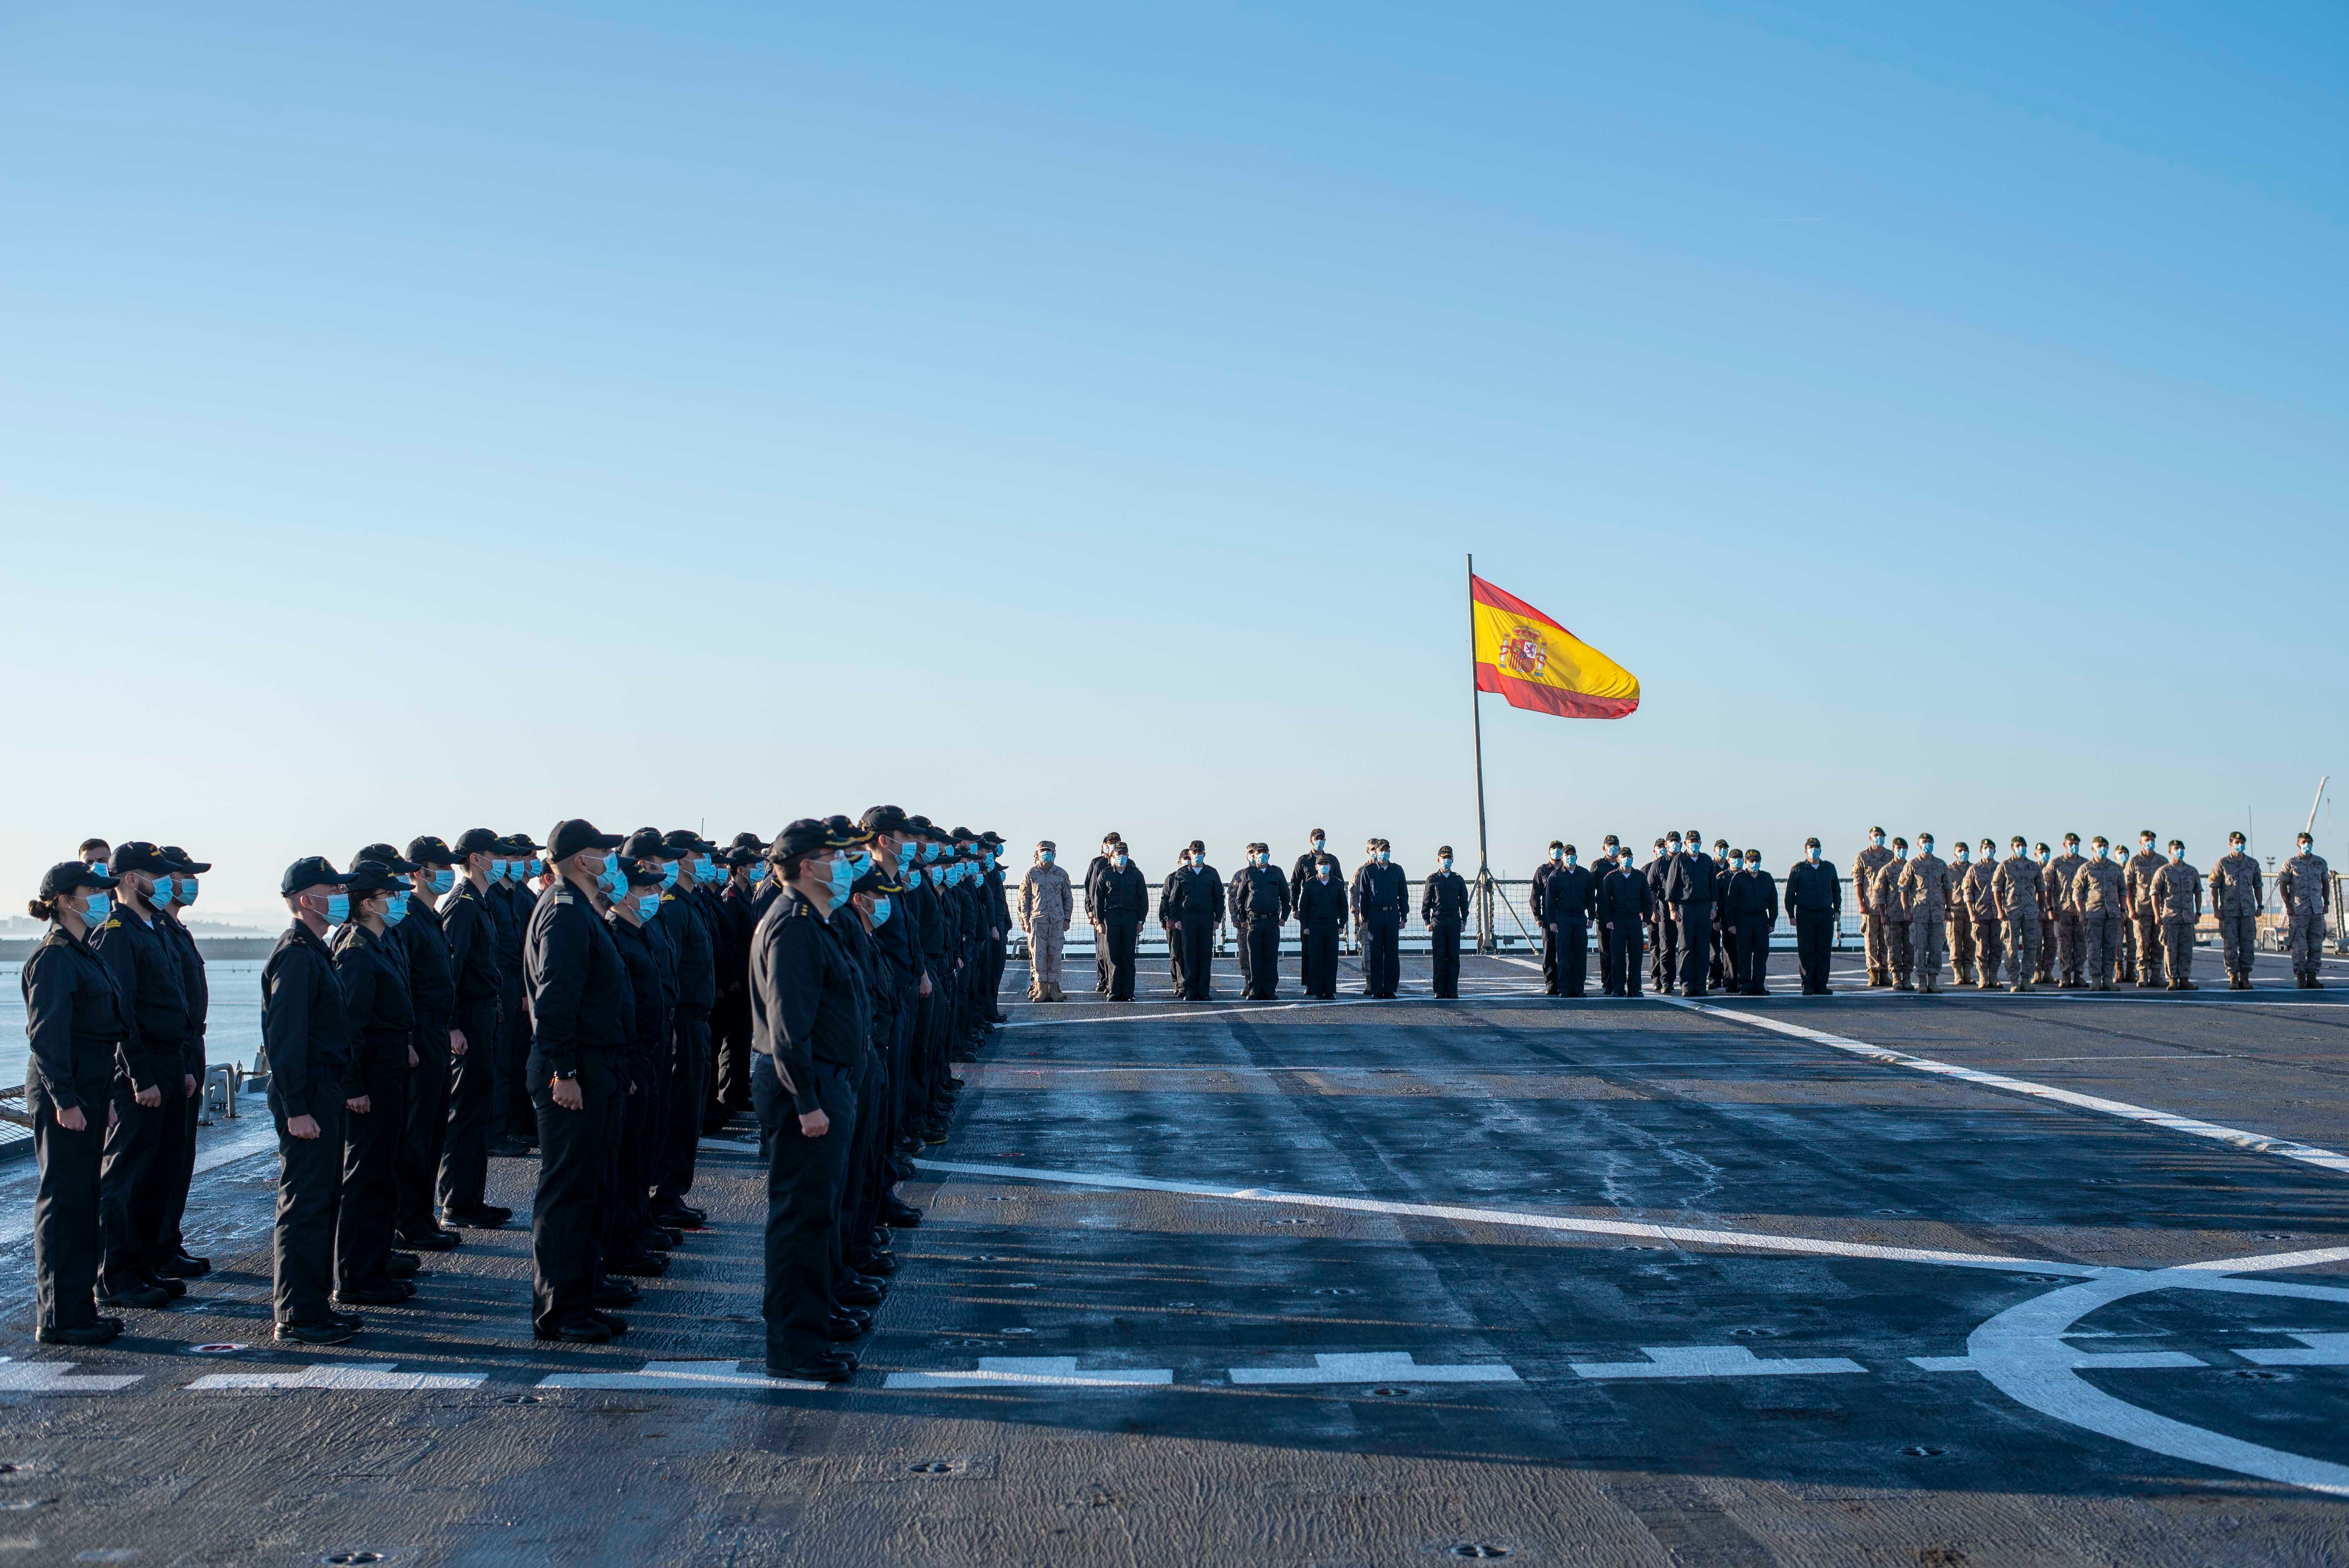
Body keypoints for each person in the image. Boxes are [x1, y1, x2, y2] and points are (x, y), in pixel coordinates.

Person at [749, 817, 875, 1384]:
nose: (846, 865)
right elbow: (787, 1027)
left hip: (827, 1081)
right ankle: (796, 1347)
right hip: (809, 1088)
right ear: (807, 866)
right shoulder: (794, 926)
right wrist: (807, 1102)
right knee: (802, 1218)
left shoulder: (813, 920)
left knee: (819, 1214)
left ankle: (814, 1322)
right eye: (835, 856)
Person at [525, 819, 633, 1344]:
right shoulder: (565, 914)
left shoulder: (582, 910)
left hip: (598, 1068)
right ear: (577, 860)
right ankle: (561, 1311)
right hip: (576, 1072)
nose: (610, 861)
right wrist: (563, 1070)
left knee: (591, 1189)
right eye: (601, 852)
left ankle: (582, 1294)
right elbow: (556, 1001)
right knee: (568, 1194)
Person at [21, 862, 130, 1345]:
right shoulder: (54, 958)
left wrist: (102, 1097)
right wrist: (65, 1099)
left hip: (88, 1089)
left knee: (84, 1198)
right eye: (93, 890)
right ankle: (60, 1317)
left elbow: (99, 1033)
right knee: (64, 1201)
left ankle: (80, 1307)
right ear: (65, 899)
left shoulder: (85, 953)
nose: (103, 898)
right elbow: (48, 1038)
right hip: (62, 1092)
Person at [262, 857, 365, 1345]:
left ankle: (315, 1302)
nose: (342, 895)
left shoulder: (316, 950)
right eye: (332, 888)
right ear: (307, 899)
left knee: (323, 1199)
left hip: (324, 1088)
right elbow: (286, 1038)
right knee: (304, 1202)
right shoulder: (297, 955)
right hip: (307, 1093)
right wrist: (297, 1106)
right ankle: (297, 1313)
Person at [91, 842, 192, 1311]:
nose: (170, 883)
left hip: (169, 1062)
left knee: (159, 1170)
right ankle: (116, 1276)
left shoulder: (153, 928)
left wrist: (183, 1067)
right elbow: (121, 1009)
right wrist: (140, 1074)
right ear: (132, 879)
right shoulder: (117, 932)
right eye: (160, 875)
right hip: (142, 1066)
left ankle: (145, 1263)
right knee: (127, 1174)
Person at [331, 861, 418, 1310]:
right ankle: (356, 1276)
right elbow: (349, 1026)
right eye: (392, 894)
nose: (401, 900)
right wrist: (353, 1086)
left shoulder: (379, 943)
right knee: (365, 1177)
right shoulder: (357, 950)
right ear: (367, 903)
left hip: (389, 1069)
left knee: (384, 1172)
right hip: (369, 1081)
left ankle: (376, 1261)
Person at [385, 838, 466, 1255]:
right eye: (439, 866)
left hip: (435, 1033)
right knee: (416, 1135)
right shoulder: (407, 919)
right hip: (419, 1034)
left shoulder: (429, 917)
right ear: (418, 871)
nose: (448, 873)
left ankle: (421, 1215)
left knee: (434, 1129)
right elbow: (406, 987)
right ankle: (409, 1221)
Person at [437, 829, 511, 1230]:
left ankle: (472, 1198)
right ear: (477, 858)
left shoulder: (480, 902)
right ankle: (456, 1201)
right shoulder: (463, 905)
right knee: (465, 1112)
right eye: (496, 854)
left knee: (479, 1109)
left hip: (485, 1015)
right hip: (468, 1018)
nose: (502, 860)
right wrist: (452, 1025)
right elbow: (452, 968)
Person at [148, 846, 211, 1280]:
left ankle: (168, 1241)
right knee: (162, 1158)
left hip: (190, 1048)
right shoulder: (155, 929)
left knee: (181, 1154)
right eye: (183, 874)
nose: (191, 882)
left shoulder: (174, 928)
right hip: (173, 1052)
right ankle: (156, 1248)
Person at [1231, 844, 1292, 1001]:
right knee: (1255, 957)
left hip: (1272, 921)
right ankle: (1255, 990)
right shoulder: (1248, 874)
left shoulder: (1277, 873)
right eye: (1259, 853)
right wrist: (1243, 919)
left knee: (1271, 957)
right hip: (1254, 921)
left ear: (1269, 855)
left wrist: (1284, 916)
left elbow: (1286, 896)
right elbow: (1240, 898)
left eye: (1265, 853)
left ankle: (1270, 990)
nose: (1262, 856)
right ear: (1254, 855)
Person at [1166, 841, 1225, 1001]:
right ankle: (1190, 990)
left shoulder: (1212, 873)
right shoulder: (1182, 874)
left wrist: (1217, 919)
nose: (1197, 855)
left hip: (1206, 919)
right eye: (1195, 852)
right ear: (1190, 854)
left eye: (1200, 852)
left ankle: (1204, 991)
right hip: (1188, 919)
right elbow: (1174, 899)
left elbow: (1219, 898)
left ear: (1204, 854)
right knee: (1189, 954)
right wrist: (1176, 919)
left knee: (1205, 955)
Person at [1661, 832, 1716, 998]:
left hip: (1704, 909)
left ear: (1701, 842)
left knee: (1703, 949)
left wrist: (1713, 908)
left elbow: (1713, 887)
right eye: (1691, 842)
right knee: (1686, 948)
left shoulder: (1707, 861)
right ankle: (1686, 986)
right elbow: (1670, 890)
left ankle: (1700, 986)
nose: (1694, 845)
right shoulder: (1679, 861)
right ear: (1685, 843)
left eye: (1696, 842)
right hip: (1685, 909)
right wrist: (1672, 910)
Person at [1090, 843, 1148, 1001]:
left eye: (1124, 854)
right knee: (1113, 956)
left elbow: (1143, 899)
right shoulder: (1105, 875)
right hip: (1111, 918)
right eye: (1118, 854)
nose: (1121, 857)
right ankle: (1114, 991)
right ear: (1113, 857)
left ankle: (1129, 993)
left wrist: (1141, 921)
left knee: (1128, 957)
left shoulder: (1136, 875)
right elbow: (1099, 900)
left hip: (1130, 918)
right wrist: (1100, 922)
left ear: (1128, 856)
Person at [1351, 839, 1408, 999]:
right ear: (1376, 852)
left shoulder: (1397, 871)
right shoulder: (1368, 872)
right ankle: (1376, 989)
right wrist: (1364, 917)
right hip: (1375, 916)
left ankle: (1390, 989)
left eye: (1387, 850)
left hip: (1391, 915)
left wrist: (1404, 916)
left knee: (1391, 954)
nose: (1384, 853)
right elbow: (1363, 896)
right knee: (1375, 954)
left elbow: (1403, 895)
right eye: (1381, 850)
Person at [1020, 842, 1075, 1002]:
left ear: (1055, 854)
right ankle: (1041, 988)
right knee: (1038, 956)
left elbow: (1067, 898)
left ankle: (1054, 988)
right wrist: (1026, 921)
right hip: (1037, 921)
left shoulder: (1061, 874)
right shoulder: (1031, 874)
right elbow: (1025, 899)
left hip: (1057, 920)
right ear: (1037, 854)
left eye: (1049, 852)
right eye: (1043, 852)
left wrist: (1067, 918)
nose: (1046, 854)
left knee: (1056, 955)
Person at [2208, 831, 2263, 991]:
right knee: (2230, 945)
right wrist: (2216, 909)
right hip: (2229, 913)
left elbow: (2258, 886)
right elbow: (2214, 888)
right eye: (2237, 843)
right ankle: (2233, 976)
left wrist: (2260, 906)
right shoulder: (2223, 863)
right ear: (2230, 844)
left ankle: (2245, 977)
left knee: (2248, 946)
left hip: (2247, 912)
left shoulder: (2252, 864)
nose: (2240, 845)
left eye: (2242, 843)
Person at [1898, 835, 1952, 994]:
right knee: (1920, 949)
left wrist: (1948, 909)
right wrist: (1906, 910)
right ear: (1918, 845)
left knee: (1936, 949)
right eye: (1924, 843)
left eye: (1930, 843)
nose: (1927, 845)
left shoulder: (1941, 865)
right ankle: (1922, 981)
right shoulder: (1912, 865)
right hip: (1919, 915)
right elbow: (1904, 889)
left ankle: (1933, 981)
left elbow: (1948, 887)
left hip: (1937, 915)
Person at [2070, 837, 2126, 991]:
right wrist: (2081, 912)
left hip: (2112, 914)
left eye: (2104, 846)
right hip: (2093, 914)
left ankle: (2108, 979)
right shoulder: (2085, 869)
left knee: (2110, 948)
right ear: (2093, 849)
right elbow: (2077, 892)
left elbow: (2123, 890)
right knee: (2094, 948)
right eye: (2099, 846)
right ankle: (2096, 979)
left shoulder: (2116, 869)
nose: (2102, 848)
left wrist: (2123, 910)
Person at [1784, 839, 1838, 995]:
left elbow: (1836, 891)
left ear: (1821, 850)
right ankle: (1807, 984)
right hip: (1805, 914)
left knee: (1824, 950)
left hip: (1825, 914)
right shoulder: (1798, 870)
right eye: (1811, 848)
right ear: (1805, 851)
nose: (1814, 851)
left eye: (1816, 848)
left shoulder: (1829, 868)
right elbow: (1790, 894)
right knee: (1806, 950)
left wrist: (1837, 911)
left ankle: (1821, 985)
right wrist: (1791, 915)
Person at [2278, 832, 2331, 988]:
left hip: (2317, 911)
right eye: (2303, 842)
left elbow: (2325, 883)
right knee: (2299, 946)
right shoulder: (2290, 864)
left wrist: (2326, 903)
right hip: (2299, 910)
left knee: (2316, 945)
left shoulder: (2320, 863)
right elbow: (2283, 885)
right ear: (2298, 844)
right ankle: (2301, 977)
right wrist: (2288, 906)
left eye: (2309, 841)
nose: (2306, 844)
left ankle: (2313, 976)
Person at [1540, 845, 1594, 999]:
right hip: (1562, 919)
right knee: (1563, 955)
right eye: (1567, 855)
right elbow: (1549, 902)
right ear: (1562, 858)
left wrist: (1591, 917)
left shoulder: (1585, 875)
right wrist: (1552, 922)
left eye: (1573, 855)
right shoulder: (1555, 877)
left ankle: (1578, 988)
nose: (1570, 857)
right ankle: (1564, 988)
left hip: (1579, 918)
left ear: (1577, 856)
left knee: (1580, 954)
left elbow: (1590, 897)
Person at [1596, 847, 1649, 996]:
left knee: (1636, 956)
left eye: (1629, 856)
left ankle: (1635, 989)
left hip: (1634, 921)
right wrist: (1608, 920)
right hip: (1617, 921)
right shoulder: (1611, 878)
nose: (1627, 859)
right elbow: (1605, 901)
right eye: (1624, 857)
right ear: (1618, 859)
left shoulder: (1640, 877)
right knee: (1618, 957)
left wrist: (1646, 919)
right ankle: (1618, 988)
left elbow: (1647, 899)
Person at [1993, 835, 2042, 993]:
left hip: (2030, 912)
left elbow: (2041, 889)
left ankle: (2027, 979)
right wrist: (2000, 910)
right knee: (2011, 948)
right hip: (2011, 912)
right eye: (2018, 845)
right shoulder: (2005, 866)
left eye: (2023, 845)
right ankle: (2014, 980)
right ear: (2012, 848)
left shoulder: (2034, 867)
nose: (2020, 848)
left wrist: (2042, 909)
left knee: (2031, 947)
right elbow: (1997, 889)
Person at [2151, 840, 2203, 991]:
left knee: (2187, 950)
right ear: (2170, 852)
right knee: (2171, 950)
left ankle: (2185, 979)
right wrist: (2157, 915)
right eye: (2176, 849)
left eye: (2181, 848)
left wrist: (2198, 913)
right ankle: (2172, 979)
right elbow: (2155, 894)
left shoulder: (2192, 871)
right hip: (2170, 918)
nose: (2179, 851)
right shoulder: (2163, 872)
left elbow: (2198, 892)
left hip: (2187, 918)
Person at [1295, 854, 1348, 999]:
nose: (1324, 867)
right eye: (1321, 864)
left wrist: (1342, 925)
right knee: (1316, 959)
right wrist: (1305, 926)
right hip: (1314, 925)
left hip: (1331, 925)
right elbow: (1304, 907)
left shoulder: (1337, 884)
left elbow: (1343, 906)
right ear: (1316, 867)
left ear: (1331, 867)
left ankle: (1330, 991)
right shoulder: (1310, 884)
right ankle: (1318, 991)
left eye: (1327, 864)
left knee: (1331, 960)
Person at [1422, 847, 1470, 999]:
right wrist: (1427, 921)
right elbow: (1427, 902)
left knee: (1454, 956)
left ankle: (1453, 990)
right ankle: (1439, 990)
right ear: (1438, 860)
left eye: (1449, 858)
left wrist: (1464, 921)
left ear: (1453, 860)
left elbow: (1464, 901)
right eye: (1444, 858)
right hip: (1439, 920)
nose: (1446, 861)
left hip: (1454, 920)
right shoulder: (1433, 879)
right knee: (1439, 956)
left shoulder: (1458, 879)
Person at [1851, 829, 1896, 986]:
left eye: (1881, 836)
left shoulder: (1891, 856)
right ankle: (1873, 973)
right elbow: (1858, 881)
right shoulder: (1863, 857)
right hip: (1870, 906)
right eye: (1876, 836)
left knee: (1886, 941)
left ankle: (1884, 972)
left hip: (1888, 907)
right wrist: (1861, 903)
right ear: (1870, 838)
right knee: (1871, 942)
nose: (1879, 839)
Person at [2124, 830, 2167, 989]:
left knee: (2158, 944)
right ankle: (2143, 974)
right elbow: (2128, 889)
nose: (2150, 842)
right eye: (2147, 840)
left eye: (2152, 840)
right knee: (2142, 943)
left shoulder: (2162, 861)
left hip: (2159, 911)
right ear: (2141, 842)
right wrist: (2130, 909)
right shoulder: (2134, 862)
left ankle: (2156, 974)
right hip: (2141, 911)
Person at [1869, 838, 1914, 991]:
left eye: (1904, 848)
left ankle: (1907, 977)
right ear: (1894, 850)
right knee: (1893, 948)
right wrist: (1883, 915)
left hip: (1910, 917)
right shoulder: (1886, 870)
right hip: (1892, 916)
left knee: (1909, 948)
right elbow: (1880, 894)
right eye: (1899, 848)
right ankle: (1896, 977)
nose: (1902, 851)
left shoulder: (1912, 868)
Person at [1082, 834, 1123, 995]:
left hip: (1116, 914)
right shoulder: (1098, 864)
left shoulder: (1126, 864)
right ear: (1104, 845)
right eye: (1110, 843)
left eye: (1116, 843)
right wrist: (1091, 911)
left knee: (1115, 951)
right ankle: (1103, 979)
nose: (1113, 845)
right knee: (1101, 950)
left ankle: (1114, 981)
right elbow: (1091, 890)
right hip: (1101, 914)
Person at [2045, 834, 2087, 987]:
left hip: (2081, 911)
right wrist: (2050, 909)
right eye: (2071, 843)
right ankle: (2065, 975)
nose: (2074, 846)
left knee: (2081, 944)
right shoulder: (2055, 864)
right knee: (2064, 944)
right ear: (2065, 845)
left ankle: (2079, 975)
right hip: (2062, 911)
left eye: (2076, 843)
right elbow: (2047, 889)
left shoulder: (2085, 864)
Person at [1961, 840, 2004, 992]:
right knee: (1981, 948)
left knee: (1997, 947)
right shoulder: (1974, 870)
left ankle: (1994, 977)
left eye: (1991, 848)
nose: (1989, 851)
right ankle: (1983, 977)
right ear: (1981, 851)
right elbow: (1968, 894)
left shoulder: (2001, 868)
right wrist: (1971, 913)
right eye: (1986, 849)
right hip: (1980, 915)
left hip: (1997, 915)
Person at [1530, 841, 1568, 995]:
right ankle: (1551, 984)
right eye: (1554, 849)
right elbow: (1535, 896)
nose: (1557, 852)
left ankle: (1566, 983)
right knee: (1549, 952)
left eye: (1560, 849)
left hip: (1566, 916)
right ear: (1549, 852)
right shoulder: (1542, 871)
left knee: (1566, 952)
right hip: (1548, 917)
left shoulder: (1570, 871)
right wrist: (1538, 916)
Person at [1645, 834, 1680, 992]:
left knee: (1684, 947)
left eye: (1677, 842)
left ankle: (1680, 980)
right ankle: (1663, 981)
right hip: (1664, 908)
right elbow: (1651, 889)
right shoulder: (1656, 865)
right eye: (1671, 842)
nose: (1674, 845)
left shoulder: (1684, 861)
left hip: (1683, 907)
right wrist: (1653, 910)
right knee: (1662, 946)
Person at [1946, 840, 1977, 987]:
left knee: (1970, 943)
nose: (1963, 853)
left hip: (1971, 912)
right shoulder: (1948, 871)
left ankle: (1968, 972)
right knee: (1955, 944)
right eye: (1960, 851)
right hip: (1955, 911)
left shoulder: (1974, 869)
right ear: (1955, 854)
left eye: (1965, 851)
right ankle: (1957, 973)